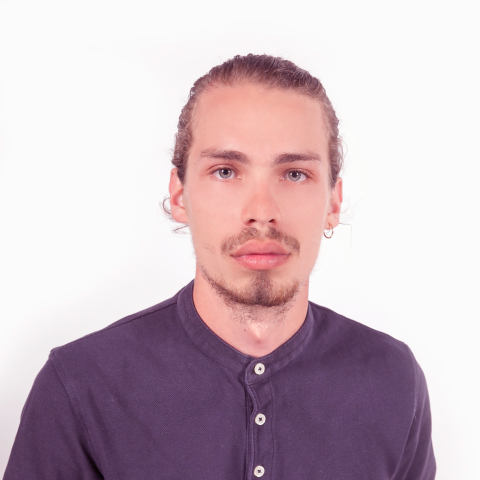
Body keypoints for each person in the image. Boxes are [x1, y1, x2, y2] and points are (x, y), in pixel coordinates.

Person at [3, 54, 436, 479]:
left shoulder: (394, 379)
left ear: (333, 203)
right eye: (226, 171)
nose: (262, 212)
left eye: (295, 174)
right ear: (179, 196)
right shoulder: (80, 384)